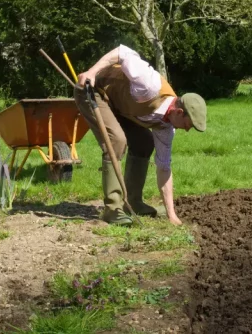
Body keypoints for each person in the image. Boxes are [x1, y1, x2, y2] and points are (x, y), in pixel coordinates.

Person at [75, 45, 206, 226]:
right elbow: (122, 51)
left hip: (120, 106)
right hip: (93, 90)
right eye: (187, 124)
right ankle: (113, 209)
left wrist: (172, 215)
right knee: (117, 141)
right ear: (178, 112)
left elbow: (164, 168)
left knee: (144, 142)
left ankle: (133, 203)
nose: (187, 130)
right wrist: (91, 72)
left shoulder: (166, 128)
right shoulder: (150, 85)